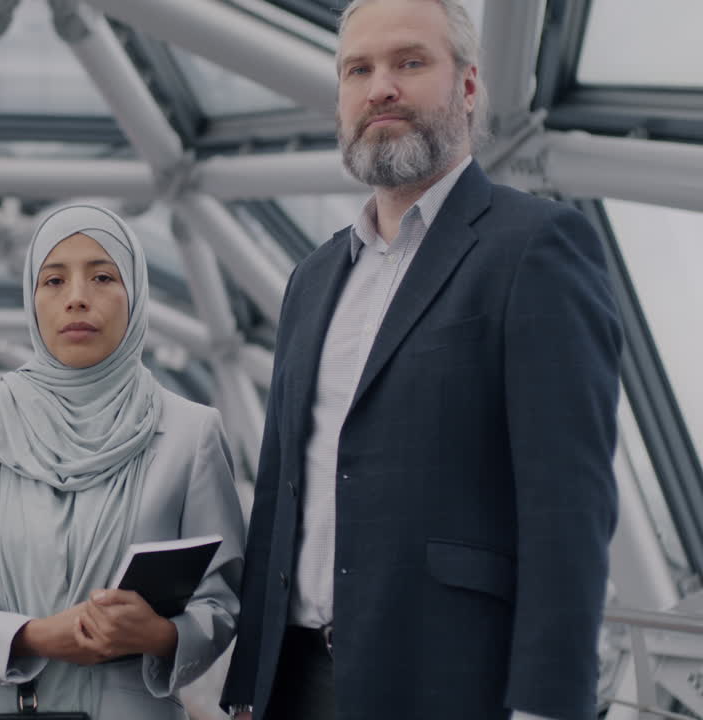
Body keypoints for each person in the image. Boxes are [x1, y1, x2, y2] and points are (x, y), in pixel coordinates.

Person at [220, 1, 622, 719]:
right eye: (358, 70)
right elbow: (283, 489)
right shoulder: (310, 281)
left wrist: (548, 707)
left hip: (453, 687)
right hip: (295, 686)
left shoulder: (536, 246)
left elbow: (569, 507)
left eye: (409, 62)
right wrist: (250, 686)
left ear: (468, 88)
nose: (380, 87)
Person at [0, 204, 246, 718]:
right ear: (31, 298)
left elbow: (220, 598)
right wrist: (35, 636)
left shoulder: (190, 434)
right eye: (54, 280)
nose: (77, 299)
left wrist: (160, 635)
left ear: (134, 293)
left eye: (103, 276)